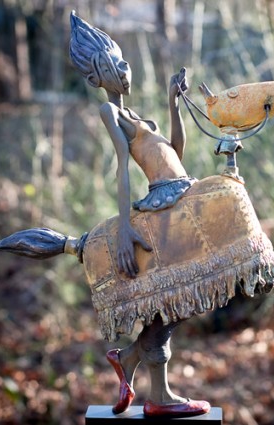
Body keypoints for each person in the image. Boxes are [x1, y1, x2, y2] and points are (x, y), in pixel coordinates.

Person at [69, 11, 210, 417]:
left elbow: (175, 156)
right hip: (161, 204)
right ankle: (156, 392)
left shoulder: (139, 117)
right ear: (96, 79)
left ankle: (132, 360)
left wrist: (173, 105)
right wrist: (124, 228)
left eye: (123, 61)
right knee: (177, 293)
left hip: (178, 192)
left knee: (182, 294)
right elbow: (123, 170)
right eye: (112, 64)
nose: (124, 69)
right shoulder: (110, 112)